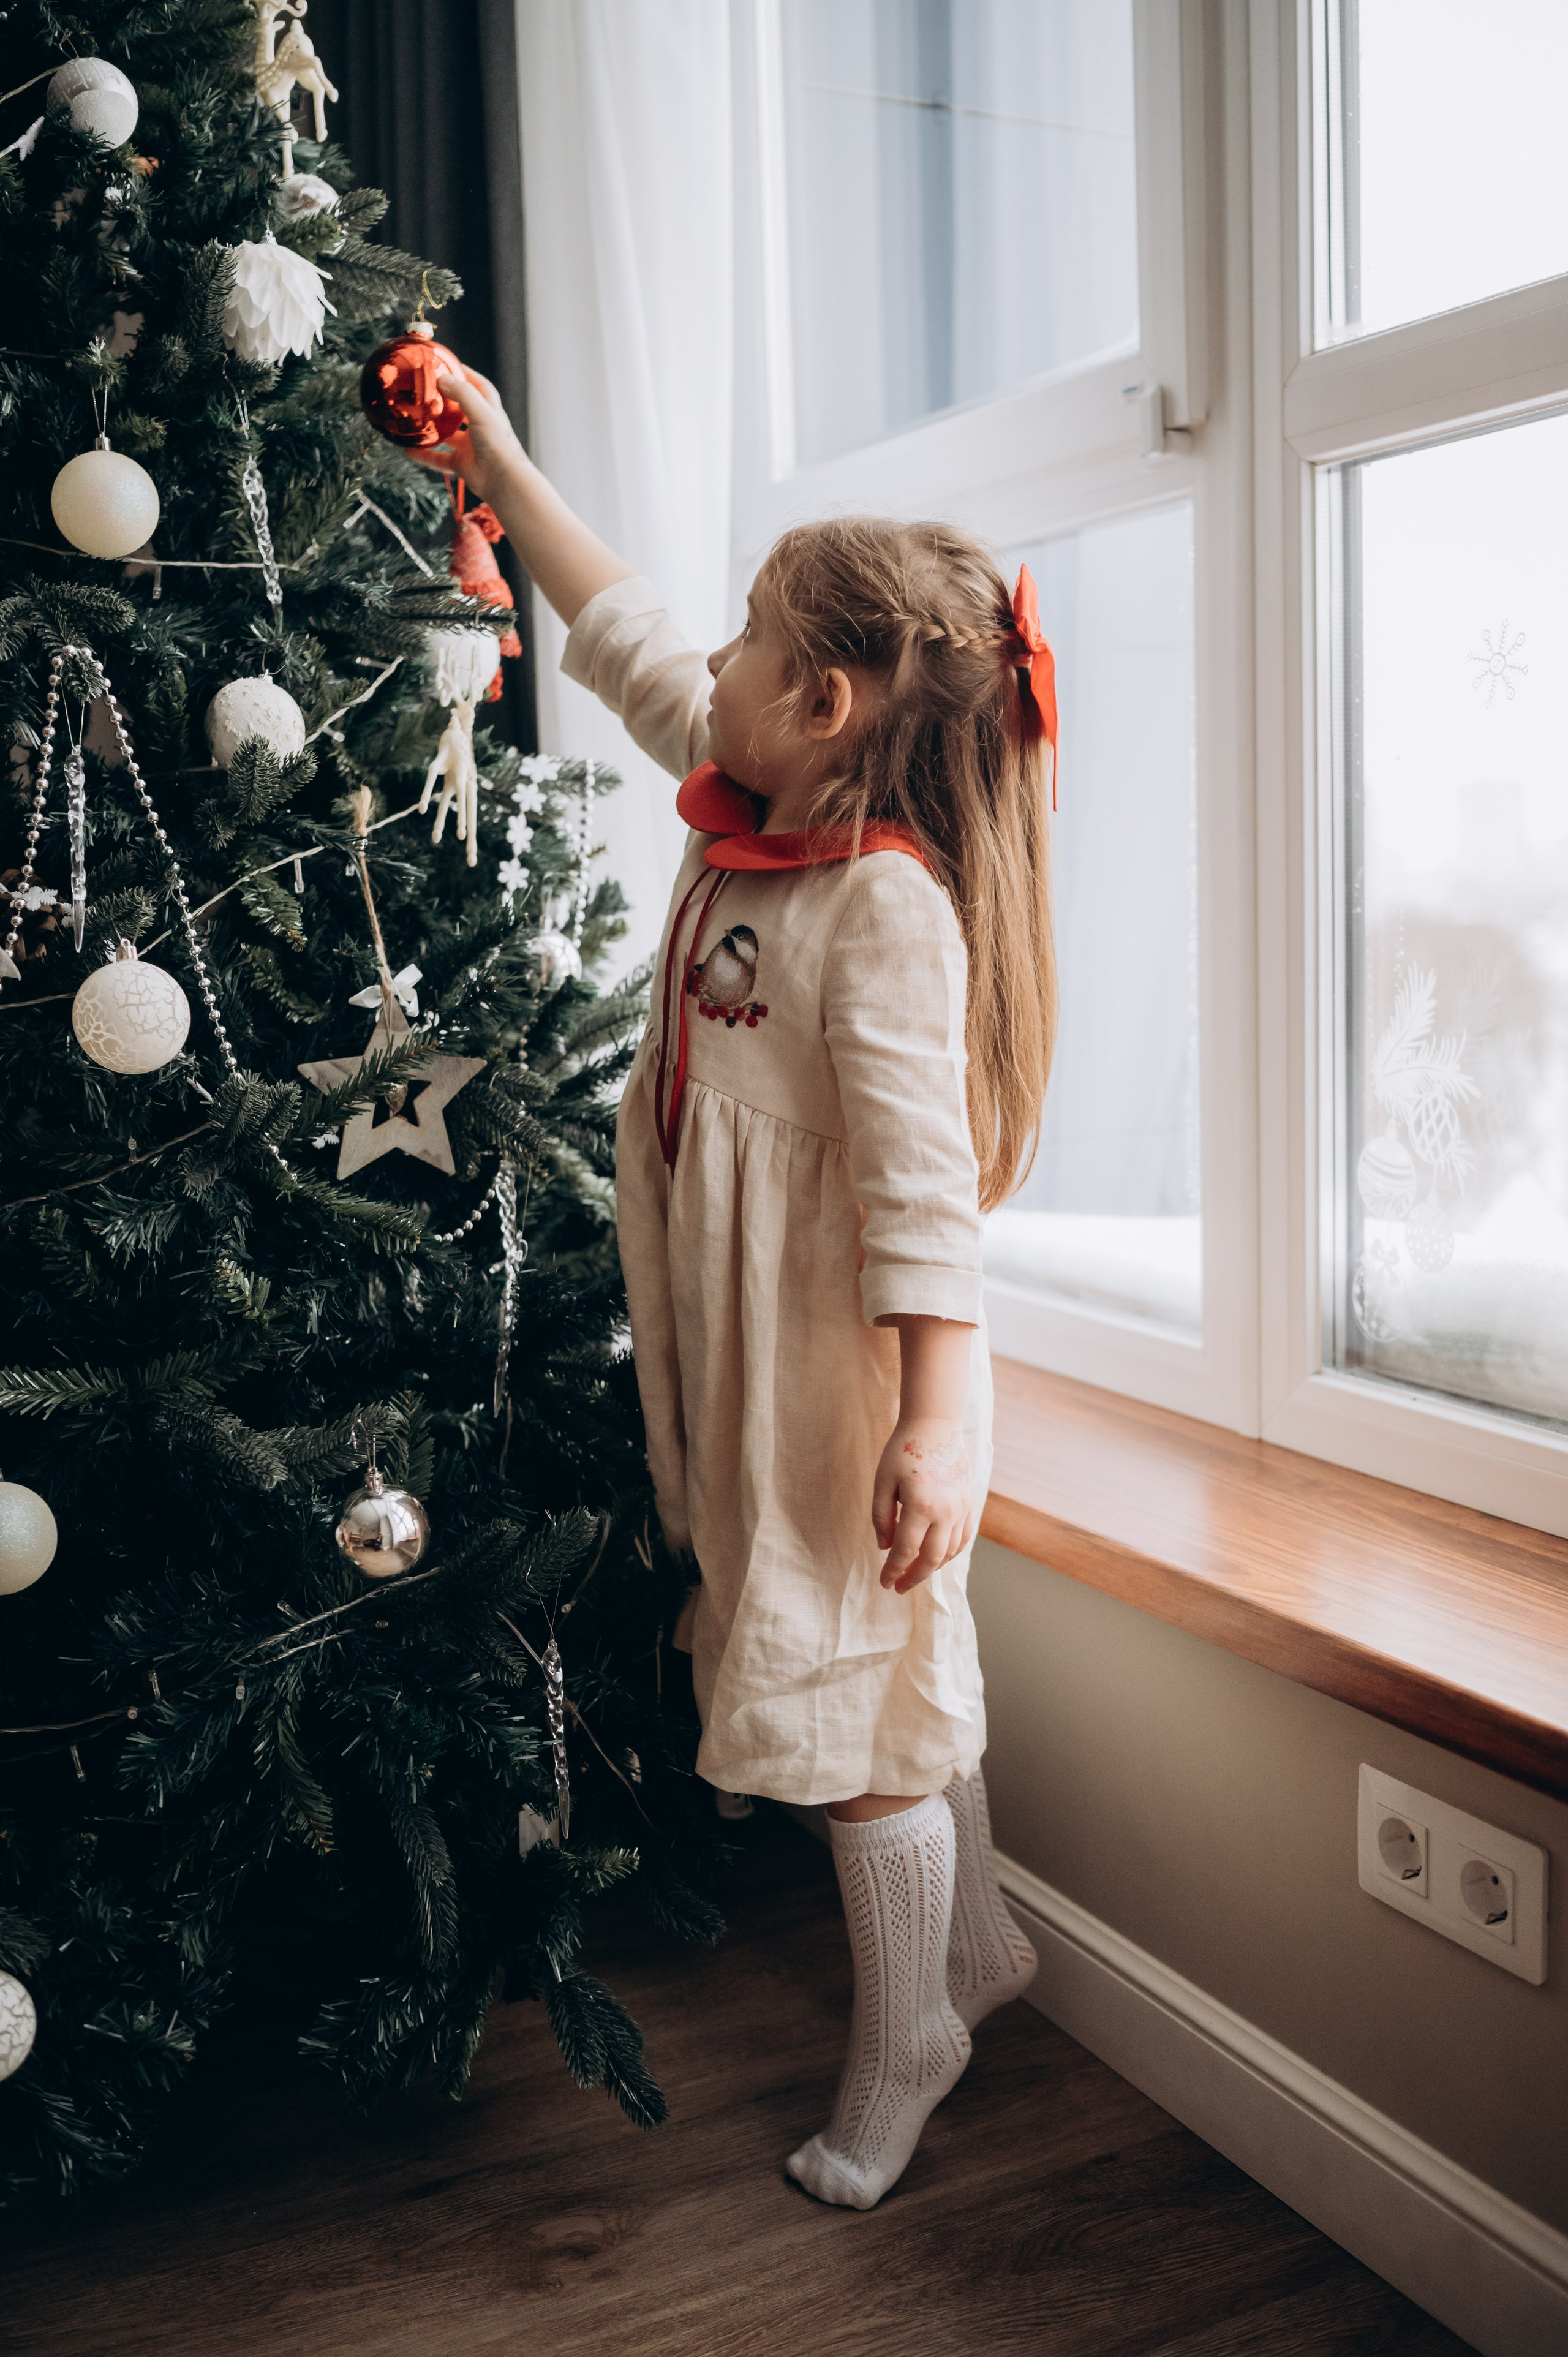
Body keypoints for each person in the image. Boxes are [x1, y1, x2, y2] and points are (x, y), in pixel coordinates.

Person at [418, 369, 1058, 2211]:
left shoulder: (887, 913)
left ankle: (908, 2037)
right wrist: (504, 465)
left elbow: (929, 1202)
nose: (721, 662)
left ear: (829, 705)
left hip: (848, 1378)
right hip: (752, 1346)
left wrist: (939, 1420)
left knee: (854, 1723)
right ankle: (990, 1941)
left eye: (755, 642)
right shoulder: (760, 802)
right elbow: (620, 638)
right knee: (895, 1675)